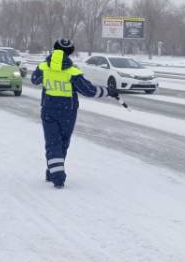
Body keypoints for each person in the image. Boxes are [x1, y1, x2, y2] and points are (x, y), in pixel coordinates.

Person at [30, 38, 121, 188]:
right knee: (62, 143)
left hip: (48, 110)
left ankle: (52, 171)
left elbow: (34, 79)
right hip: (67, 112)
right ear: (69, 53)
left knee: (52, 143)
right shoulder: (73, 72)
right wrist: (109, 91)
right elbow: (89, 91)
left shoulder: (43, 66)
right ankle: (58, 177)